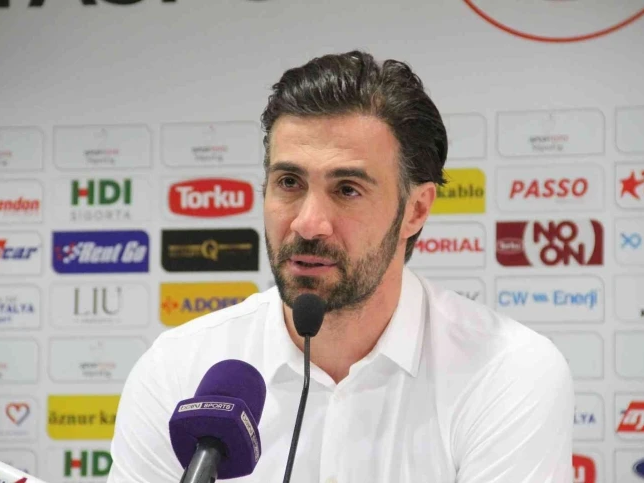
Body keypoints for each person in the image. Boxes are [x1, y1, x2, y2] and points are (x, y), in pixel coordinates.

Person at [107, 51, 574, 482]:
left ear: (416, 210)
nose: (308, 223)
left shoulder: (507, 371)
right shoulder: (177, 369)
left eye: (347, 189)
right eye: (289, 182)